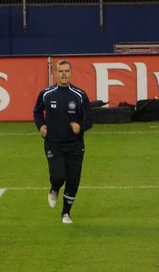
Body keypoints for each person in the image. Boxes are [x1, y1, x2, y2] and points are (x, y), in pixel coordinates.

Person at [33, 60, 94, 224]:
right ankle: (54, 188)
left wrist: (80, 127)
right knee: (58, 176)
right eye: (61, 71)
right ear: (55, 74)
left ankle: (66, 213)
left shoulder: (80, 95)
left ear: (71, 73)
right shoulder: (46, 94)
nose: (64, 74)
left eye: (67, 71)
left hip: (75, 145)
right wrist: (41, 126)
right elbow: (37, 112)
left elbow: (90, 119)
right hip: (53, 144)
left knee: (73, 181)